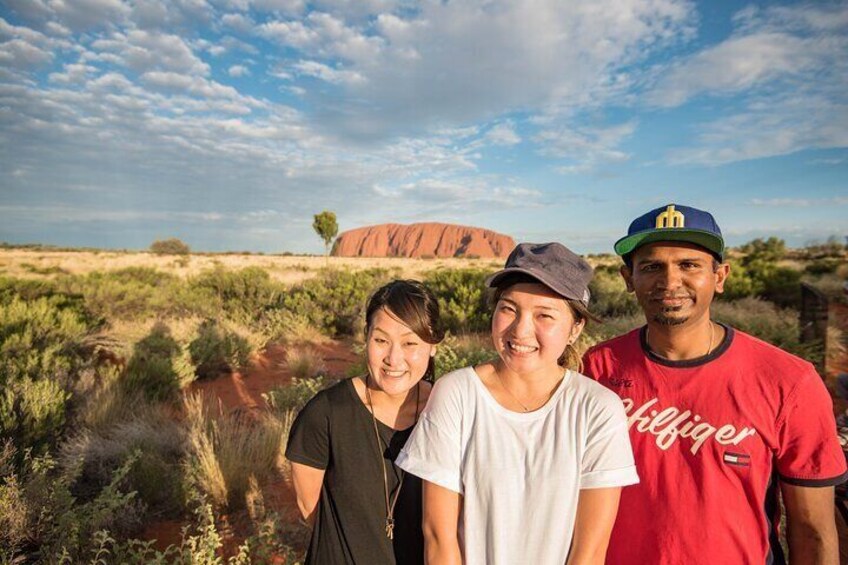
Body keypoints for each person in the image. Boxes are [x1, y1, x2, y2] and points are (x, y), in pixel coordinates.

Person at [583, 203, 848, 564]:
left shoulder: (788, 381)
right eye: (651, 267)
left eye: (689, 265)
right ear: (629, 280)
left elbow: (813, 530)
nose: (670, 281)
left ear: (720, 276)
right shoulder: (596, 368)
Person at [397, 242, 639, 565]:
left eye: (544, 315)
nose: (521, 330)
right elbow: (439, 537)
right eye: (509, 309)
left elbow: (589, 550)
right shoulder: (456, 395)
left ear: (575, 328)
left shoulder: (597, 410)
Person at [286, 279, 445, 565]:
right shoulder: (326, 414)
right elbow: (309, 508)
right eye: (381, 340)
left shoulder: (446, 412)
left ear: (433, 345)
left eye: (410, 343)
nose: (393, 359)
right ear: (366, 337)